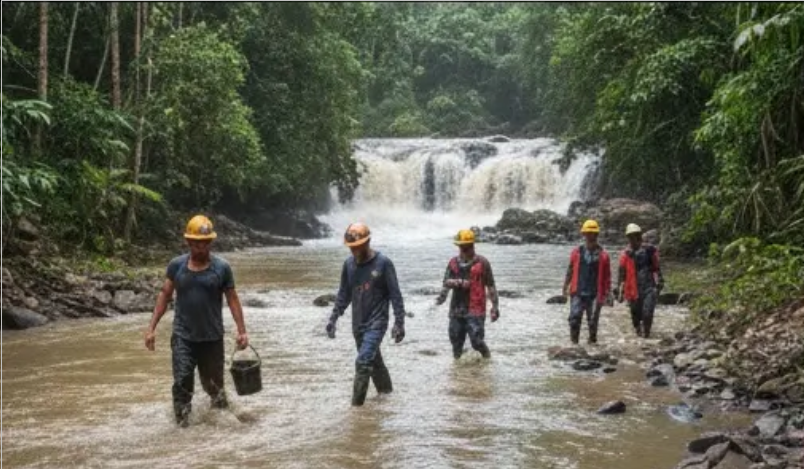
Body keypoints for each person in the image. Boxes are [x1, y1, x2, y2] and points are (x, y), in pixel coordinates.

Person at [144, 215, 249, 427]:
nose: (201, 247)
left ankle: (222, 424)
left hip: (212, 338)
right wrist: (151, 328)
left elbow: (232, 299)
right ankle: (182, 427)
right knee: (182, 381)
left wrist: (242, 331)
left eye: (206, 243)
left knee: (214, 387)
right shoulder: (176, 266)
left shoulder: (222, 268)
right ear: (188, 242)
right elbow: (165, 294)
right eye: (197, 243)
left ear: (211, 242)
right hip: (183, 337)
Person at [325, 223, 407, 407]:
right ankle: (387, 397)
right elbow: (344, 294)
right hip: (358, 324)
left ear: (367, 242)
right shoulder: (348, 265)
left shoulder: (383, 263)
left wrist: (399, 323)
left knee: (363, 362)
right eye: (351, 247)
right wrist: (333, 318)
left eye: (357, 246)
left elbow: (395, 295)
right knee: (375, 363)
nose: (353, 250)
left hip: (377, 322)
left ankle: (356, 409)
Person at [435, 229, 499, 360]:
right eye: (462, 247)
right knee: (456, 342)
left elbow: (491, 286)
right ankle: (458, 368)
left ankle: (487, 359)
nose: (464, 250)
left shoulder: (483, 263)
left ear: (472, 245)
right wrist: (442, 296)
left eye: (467, 247)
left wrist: (495, 307)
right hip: (456, 309)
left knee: (477, 341)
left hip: (476, 308)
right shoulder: (453, 263)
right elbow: (446, 282)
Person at [562, 220, 612, 345]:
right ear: (584, 234)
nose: (590, 236)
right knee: (574, 318)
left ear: (596, 235)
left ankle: (592, 344)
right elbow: (570, 269)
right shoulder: (576, 252)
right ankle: (574, 345)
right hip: (578, 291)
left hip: (595, 293)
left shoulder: (603, 255)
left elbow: (607, 276)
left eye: (592, 233)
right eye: (587, 233)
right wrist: (565, 286)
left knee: (593, 321)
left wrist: (608, 293)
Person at [617, 223, 664, 338]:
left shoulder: (650, 251)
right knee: (636, 317)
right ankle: (638, 337)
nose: (633, 239)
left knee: (647, 313)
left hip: (648, 287)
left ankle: (646, 336)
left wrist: (660, 282)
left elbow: (657, 268)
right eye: (630, 236)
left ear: (639, 236)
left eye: (635, 236)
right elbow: (622, 274)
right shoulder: (625, 254)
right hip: (632, 289)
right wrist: (620, 291)